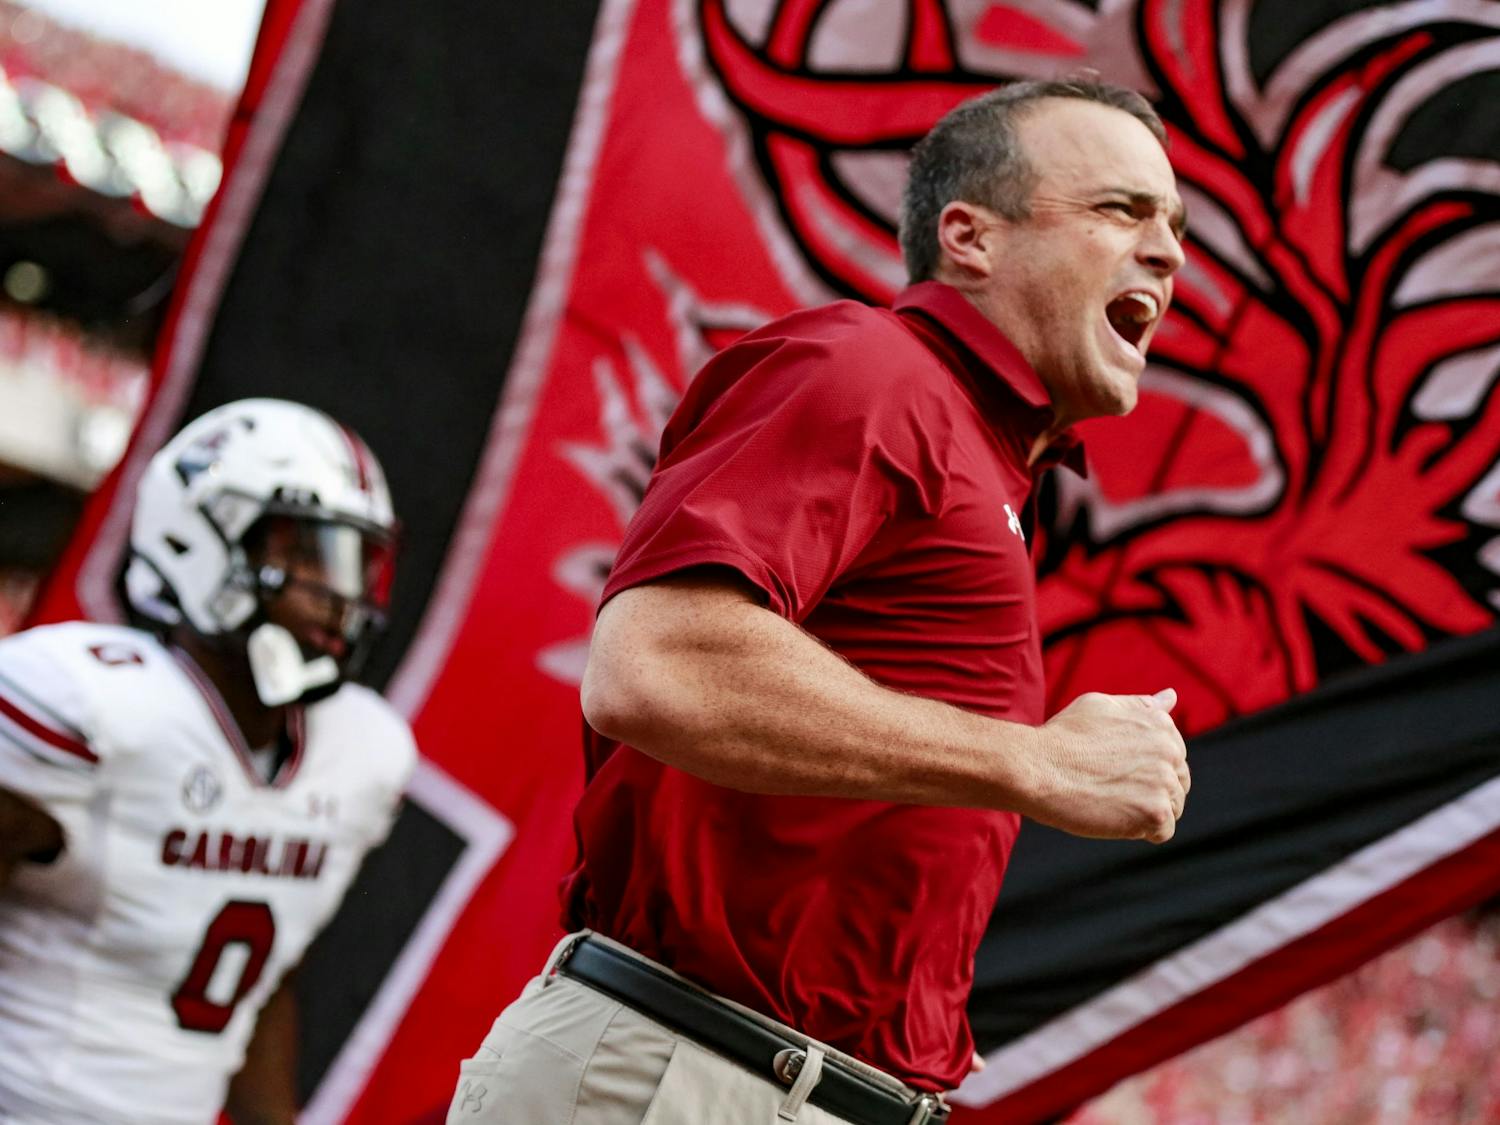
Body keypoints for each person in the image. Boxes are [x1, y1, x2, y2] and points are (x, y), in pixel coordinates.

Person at [449, 78, 1190, 1124]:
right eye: (1122, 210)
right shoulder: (875, 370)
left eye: (1173, 223)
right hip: (696, 1076)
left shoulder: (983, 457)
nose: (1169, 251)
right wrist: (1035, 760)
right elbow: (657, 666)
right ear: (969, 238)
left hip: (770, 1081)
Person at [0, 398, 416, 1125]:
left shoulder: (361, 751)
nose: (339, 593)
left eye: (355, 561)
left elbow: (261, 989)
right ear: (200, 541)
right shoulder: (88, 706)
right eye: (306, 552)